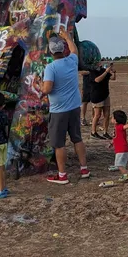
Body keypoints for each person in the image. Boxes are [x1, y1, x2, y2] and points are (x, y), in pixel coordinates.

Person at [42, 26, 90, 184]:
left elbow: (48, 88)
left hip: (59, 110)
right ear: (64, 50)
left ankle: (62, 175)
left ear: (50, 52)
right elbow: (74, 49)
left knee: (59, 143)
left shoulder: (51, 67)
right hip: (74, 107)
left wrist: (40, 89)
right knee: (77, 138)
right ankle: (84, 169)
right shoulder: (72, 60)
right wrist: (67, 36)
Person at [90, 61, 116, 140]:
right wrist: (106, 72)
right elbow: (97, 80)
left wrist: (114, 72)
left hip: (105, 95)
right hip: (97, 96)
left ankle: (105, 132)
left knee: (107, 114)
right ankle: (93, 132)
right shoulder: (92, 71)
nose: (99, 63)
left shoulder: (103, 70)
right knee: (97, 115)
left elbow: (113, 78)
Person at [109, 110, 128, 182]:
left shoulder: (119, 127)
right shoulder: (116, 127)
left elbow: (125, 127)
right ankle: (122, 170)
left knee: (119, 164)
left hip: (121, 149)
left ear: (116, 120)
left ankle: (126, 174)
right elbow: (116, 137)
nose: (111, 118)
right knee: (121, 163)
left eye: (112, 117)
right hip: (121, 149)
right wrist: (112, 143)